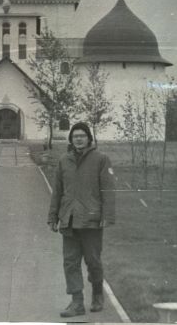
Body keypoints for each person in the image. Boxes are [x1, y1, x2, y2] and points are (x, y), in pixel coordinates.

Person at [48, 122, 115, 318]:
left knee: (93, 261)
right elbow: (57, 192)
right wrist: (52, 216)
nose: (78, 139)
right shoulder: (63, 161)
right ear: (71, 139)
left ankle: (97, 294)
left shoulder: (101, 159)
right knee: (70, 262)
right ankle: (77, 302)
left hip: (92, 221)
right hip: (68, 220)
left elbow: (108, 191)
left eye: (82, 136)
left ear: (89, 138)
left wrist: (107, 217)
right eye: (75, 136)